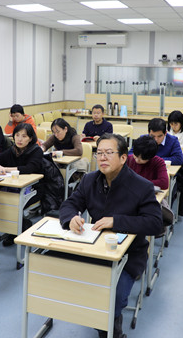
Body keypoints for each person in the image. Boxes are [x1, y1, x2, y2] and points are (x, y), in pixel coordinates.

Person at [59, 133, 163, 338]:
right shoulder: (89, 180)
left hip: (128, 255)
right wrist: (71, 218)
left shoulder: (141, 186)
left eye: (108, 153)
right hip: (95, 249)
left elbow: (155, 223)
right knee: (70, 283)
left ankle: (111, 328)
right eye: (99, 153)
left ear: (123, 158)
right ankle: (104, 322)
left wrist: (116, 221)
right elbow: (69, 204)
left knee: (113, 298)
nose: (102, 158)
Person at [0, 123, 43, 246]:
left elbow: (30, 168)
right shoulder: (12, 150)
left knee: (10, 200)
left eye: (24, 136)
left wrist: (5, 169)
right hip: (13, 187)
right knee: (0, 198)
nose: (19, 139)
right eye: (17, 135)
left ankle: (15, 230)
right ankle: (18, 226)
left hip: (33, 188)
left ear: (30, 138)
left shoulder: (36, 150)